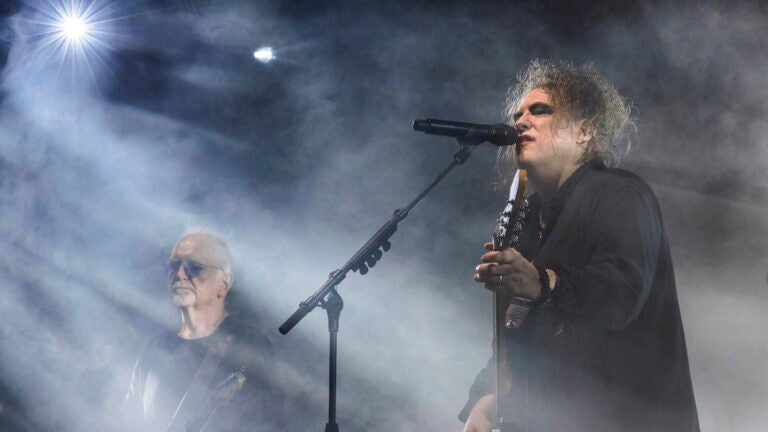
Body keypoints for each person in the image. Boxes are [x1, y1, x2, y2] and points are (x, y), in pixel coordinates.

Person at [461, 60, 699, 432]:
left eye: (540, 111)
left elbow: (620, 295)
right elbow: (518, 326)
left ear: (585, 130)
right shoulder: (525, 214)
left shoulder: (621, 192)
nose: (520, 122)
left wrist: (541, 281)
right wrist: (487, 395)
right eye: (517, 114)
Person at [124, 232, 284, 432]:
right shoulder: (154, 348)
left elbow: (269, 421)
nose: (179, 274)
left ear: (224, 284)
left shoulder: (248, 343)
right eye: (172, 266)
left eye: (194, 267)